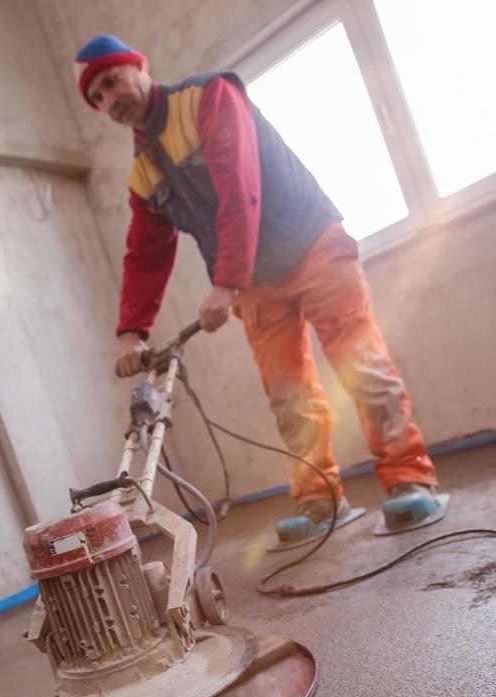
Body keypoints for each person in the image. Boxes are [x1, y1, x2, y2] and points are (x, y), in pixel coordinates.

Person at [74, 33, 441, 538]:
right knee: (289, 397)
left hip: (312, 245)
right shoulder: (143, 171)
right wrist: (130, 332)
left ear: (140, 65)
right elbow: (145, 252)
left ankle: (409, 482)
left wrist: (226, 283)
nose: (109, 101)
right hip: (254, 283)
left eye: (112, 82)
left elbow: (238, 183)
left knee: (363, 367)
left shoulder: (208, 97)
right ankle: (320, 503)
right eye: (97, 99)